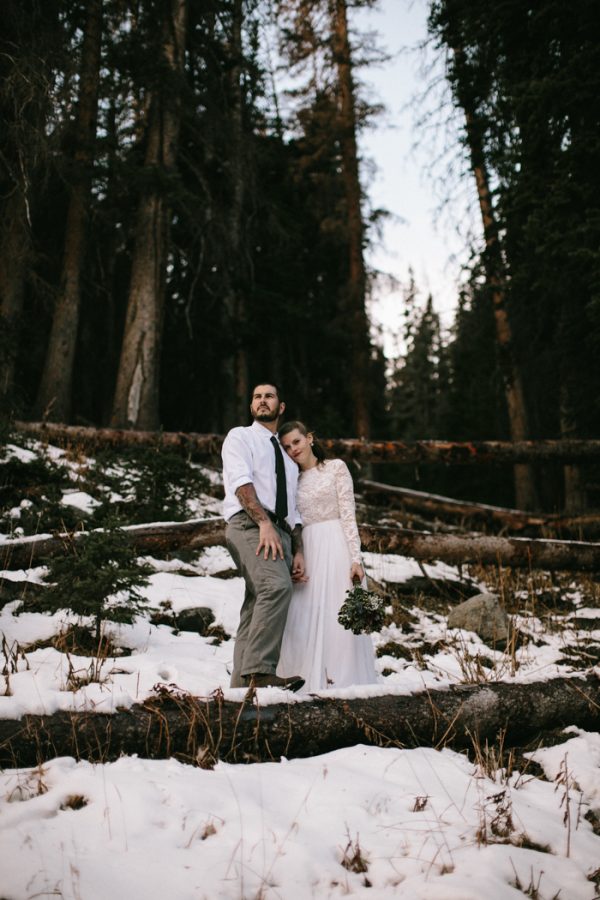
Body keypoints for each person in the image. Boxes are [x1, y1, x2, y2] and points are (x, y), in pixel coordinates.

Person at [276, 421, 378, 691]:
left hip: (335, 547)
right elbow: (291, 522)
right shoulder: (290, 480)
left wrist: (355, 558)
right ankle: (303, 681)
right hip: (307, 550)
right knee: (302, 616)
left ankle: (342, 683)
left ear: (309, 438)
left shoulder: (336, 468)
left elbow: (348, 514)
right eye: (286, 447)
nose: (292, 450)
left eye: (296, 442)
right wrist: (295, 555)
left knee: (337, 619)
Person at [221, 383, 306, 691]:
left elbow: (294, 510)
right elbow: (241, 484)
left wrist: (298, 550)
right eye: (257, 397)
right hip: (250, 524)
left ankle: (238, 693)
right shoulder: (240, 437)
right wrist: (263, 523)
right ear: (251, 406)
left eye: (269, 396)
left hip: (281, 533)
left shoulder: (287, 458)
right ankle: (259, 672)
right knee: (275, 586)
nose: (262, 401)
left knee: (256, 603)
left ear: (280, 407)